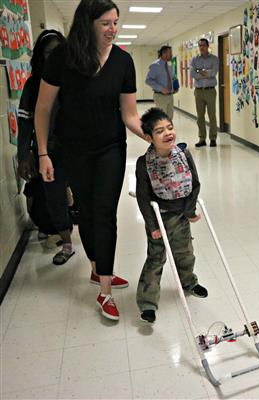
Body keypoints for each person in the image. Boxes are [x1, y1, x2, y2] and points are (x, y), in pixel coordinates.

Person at [35, 0, 146, 321]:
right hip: (74, 149)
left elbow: (129, 114)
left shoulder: (124, 62)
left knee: (105, 213)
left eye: (116, 22)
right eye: (106, 23)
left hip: (111, 147)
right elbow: (43, 109)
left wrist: (152, 135)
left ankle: (105, 290)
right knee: (85, 210)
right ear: (88, 23)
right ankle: (98, 270)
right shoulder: (63, 58)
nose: (113, 29)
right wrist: (43, 153)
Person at [135, 107, 208, 323]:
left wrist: (191, 210)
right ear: (149, 138)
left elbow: (194, 183)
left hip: (181, 215)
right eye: (160, 131)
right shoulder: (144, 163)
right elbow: (142, 197)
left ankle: (189, 282)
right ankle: (147, 302)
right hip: (159, 217)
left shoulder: (183, 154)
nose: (168, 133)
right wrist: (152, 226)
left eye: (170, 127)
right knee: (156, 258)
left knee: (185, 252)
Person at [17, 29, 76, 265]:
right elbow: (24, 122)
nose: (54, 56)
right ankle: (66, 241)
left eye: (58, 52)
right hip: (48, 150)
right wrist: (24, 154)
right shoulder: (33, 85)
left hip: (76, 148)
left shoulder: (74, 79)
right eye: (49, 52)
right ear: (40, 56)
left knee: (80, 194)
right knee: (54, 197)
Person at [190, 38, 219, 147]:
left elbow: (214, 72)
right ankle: (202, 139)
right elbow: (193, 73)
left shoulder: (214, 59)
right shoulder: (194, 60)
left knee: (212, 116)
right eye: (200, 45)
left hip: (210, 91)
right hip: (198, 92)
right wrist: (204, 72)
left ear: (207, 46)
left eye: (203, 45)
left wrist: (200, 71)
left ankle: (213, 139)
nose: (201, 47)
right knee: (200, 116)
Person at [145, 45, 176, 119]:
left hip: (170, 96)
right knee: (162, 118)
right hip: (160, 96)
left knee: (170, 118)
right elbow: (148, 80)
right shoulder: (155, 65)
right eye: (170, 53)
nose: (172, 55)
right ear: (164, 54)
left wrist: (174, 86)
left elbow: (171, 78)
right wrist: (161, 88)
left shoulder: (168, 65)